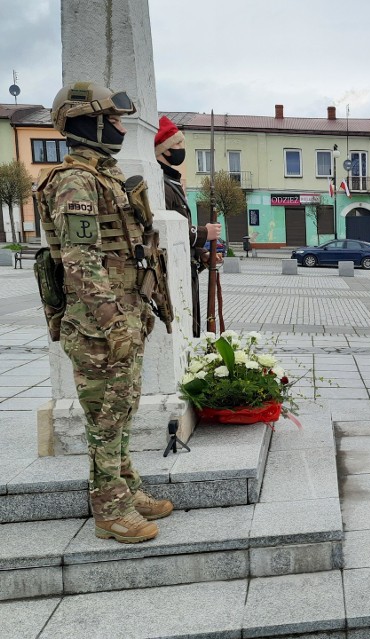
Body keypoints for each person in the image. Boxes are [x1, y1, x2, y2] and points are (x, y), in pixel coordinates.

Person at [41, 82, 173, 543]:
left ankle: (128, 489)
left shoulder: (106, 176)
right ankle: (109, 513)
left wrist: (139, 307)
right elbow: (80, 260)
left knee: (122, 409)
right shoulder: (74, 180)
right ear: (87, 121)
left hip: (123, 313)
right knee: (105, 419)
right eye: (114, 120)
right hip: (100, 324)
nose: (120, 127)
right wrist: (114, 318)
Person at [155, 115, 221, 338]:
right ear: (163, 150)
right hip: (171, 272)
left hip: (185, 268)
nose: (182, 149)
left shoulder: (171, 181)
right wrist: (204, 233)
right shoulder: (160, 184)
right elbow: (165, 229)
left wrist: (201, 252)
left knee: (192, 320)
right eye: (178, 144)